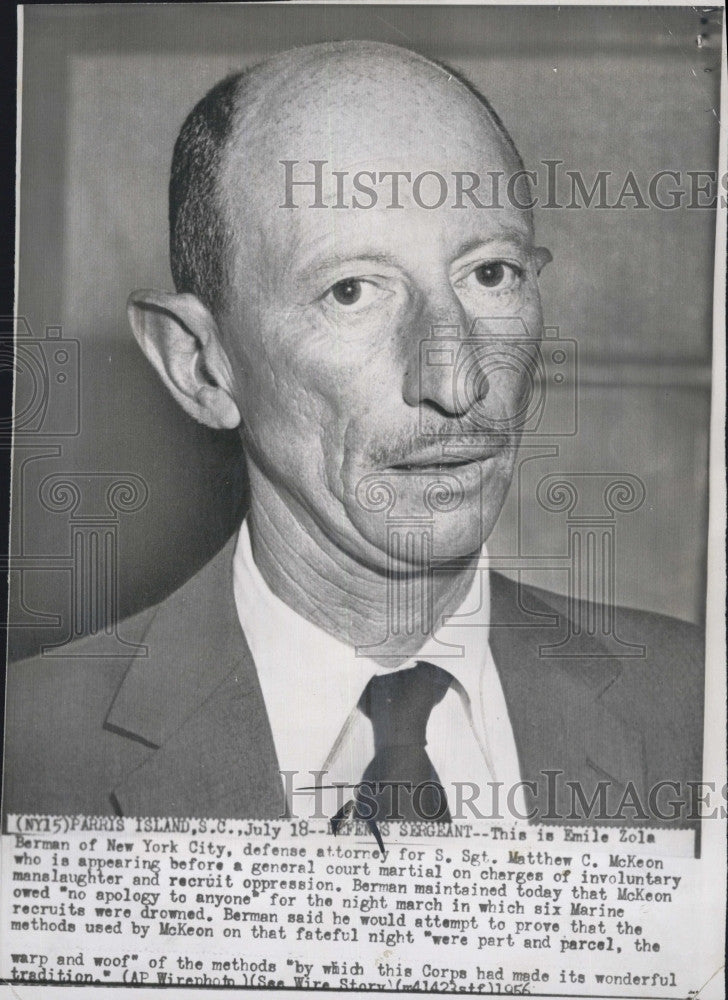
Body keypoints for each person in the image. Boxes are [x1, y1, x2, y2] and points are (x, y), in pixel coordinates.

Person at [3, 41, 703, 827]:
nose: (456, 381)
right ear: (199, 365)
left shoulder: (700, 711)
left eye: (491, 274)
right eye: (350, 292)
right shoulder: (28, 756)